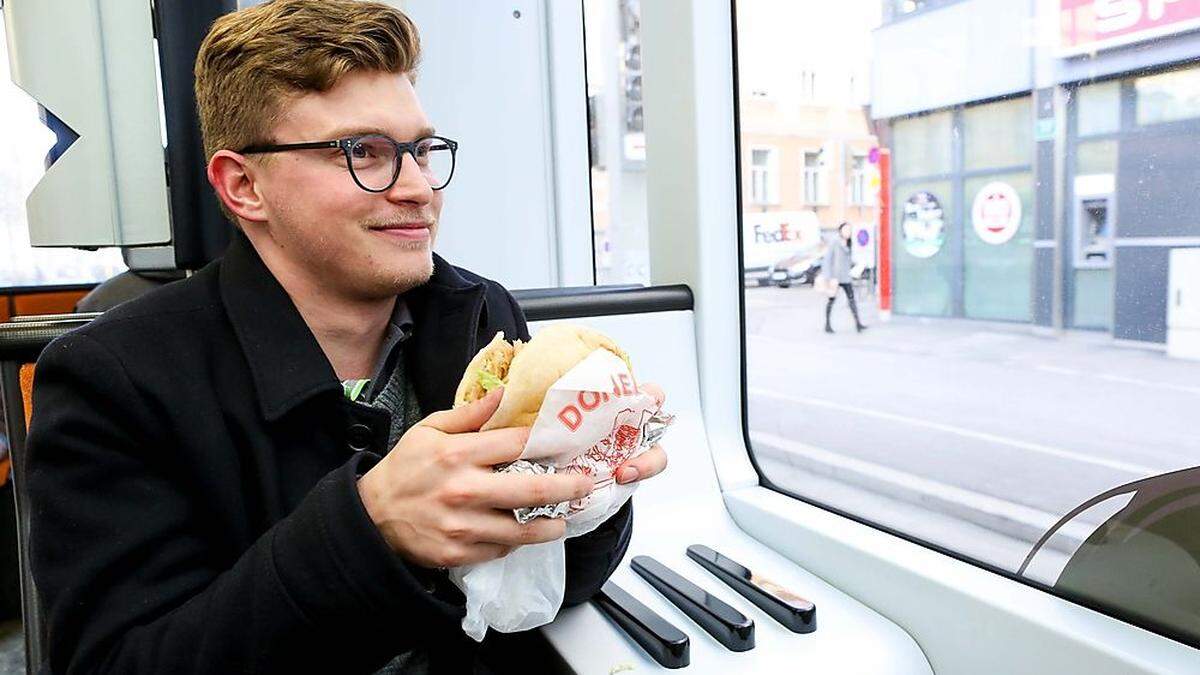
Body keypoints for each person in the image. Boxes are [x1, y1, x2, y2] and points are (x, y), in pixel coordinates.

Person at [25, 1, 668, 672]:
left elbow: (540, 593)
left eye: (421, 150)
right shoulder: (114, 378)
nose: (419, 188)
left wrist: (591, 497)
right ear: (243, 185)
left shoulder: (482, 317)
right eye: (364, 153)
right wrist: (371, 529)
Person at [822, 222, 867, 334]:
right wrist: (828, 276)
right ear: (840, 230)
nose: (848, 232)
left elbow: (850, 259)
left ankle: (858, 324)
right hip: (835, 277)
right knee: (831, 300)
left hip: (846, 276)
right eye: (845, 230)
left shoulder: (850, 242)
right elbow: (828, 259)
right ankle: (827, 324)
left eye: (849, 230)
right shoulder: (835, 242)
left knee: (851, 300)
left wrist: (858, 265)